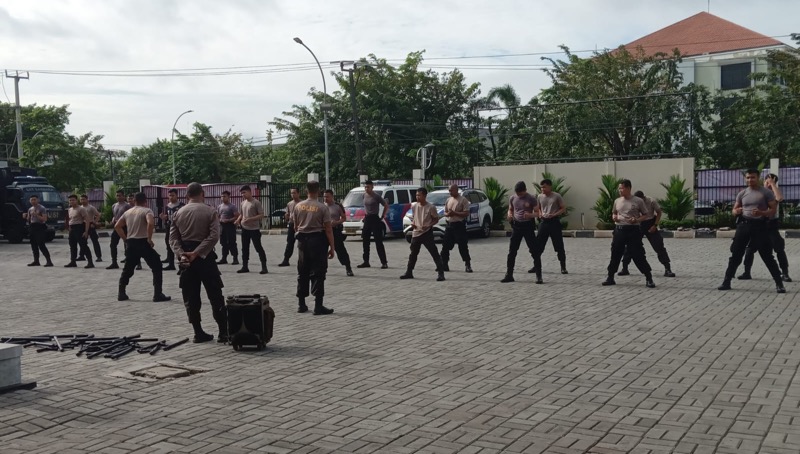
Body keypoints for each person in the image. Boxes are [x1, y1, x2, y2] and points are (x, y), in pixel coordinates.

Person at [170, 182, 227, 343]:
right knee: (215, 295)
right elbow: (214, 236)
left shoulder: (178, 212)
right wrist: (197, 252)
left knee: (190, 297)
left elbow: (172, 238)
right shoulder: (210, 211)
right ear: (202, 194)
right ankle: (224, 331)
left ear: (187, 196)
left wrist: (181, 254)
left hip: (186, 260)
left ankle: (198, 332)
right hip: (205, 257)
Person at [718, 169, 785, 293]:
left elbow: (772, 211)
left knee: (767, 256)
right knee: (736, 255)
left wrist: (762, 213)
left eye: (752, 177)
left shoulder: (766, 193)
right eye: (748, 178)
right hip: (744, 226)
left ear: (758, 178)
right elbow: (734, 210)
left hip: (760, 226)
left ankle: (779, 283)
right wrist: (736, 212)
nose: (750, 180)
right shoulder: (742, 193)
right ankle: (726, 281)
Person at [115, 192, 171, 302]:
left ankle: (121, 293)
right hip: (143, 242)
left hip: (131, 243)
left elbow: (117, 226)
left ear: (134, 200)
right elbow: (150, 223)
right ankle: (157, 294)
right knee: (157, 266)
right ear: (145, 201)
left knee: (127, 269)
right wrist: (149, 238)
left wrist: (125, 239)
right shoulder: (147, 211)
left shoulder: (128, 212)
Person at [602, 180, 656, 288]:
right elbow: (614, 213)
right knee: (615, 253)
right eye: (619, 188)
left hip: (633, 231)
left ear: (628, 188)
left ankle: (649, 278)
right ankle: (610, 277)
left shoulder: (638, 201)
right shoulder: (617, 201)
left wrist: (636, 219)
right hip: (619, 230)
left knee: (638, 254)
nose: (620, 190)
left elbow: (645, 215)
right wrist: (614, 217)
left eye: (621, 188)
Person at [291, 181, 335, 315]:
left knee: (302, 271)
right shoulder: (322, 207)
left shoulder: (298, 206)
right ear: (319, 191)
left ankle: (301, 304)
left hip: (303, 242)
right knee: (318, 272)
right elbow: (328, 229)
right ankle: (318, 305)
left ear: (306, 190)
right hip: (318, 241)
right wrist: (332, 247)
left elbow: (295, 226)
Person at [738, 173, 791, 282]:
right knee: (750, 249)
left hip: (771, 226)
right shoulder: (758, 192)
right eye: (767, 181)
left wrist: (772, 184)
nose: (768, 184)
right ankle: (746, 272)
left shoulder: (773, 193)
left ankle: (785, 273)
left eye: (771, 182)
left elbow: (779, 198)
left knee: (779, 248)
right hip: (757, 225)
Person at [618, 190, 675, 278]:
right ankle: (624, 268)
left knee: (658, 245)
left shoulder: (651, 201)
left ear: (644, 198)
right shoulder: (632, 201)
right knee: (630, 246)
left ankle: (667, 269)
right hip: (638, 224)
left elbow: (659, 212)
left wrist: (655, 225)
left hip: (650, 223)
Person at [400, 188, 446, 282]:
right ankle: (409, 272)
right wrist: (413, 223)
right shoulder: (414, 206)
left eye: (419, 195)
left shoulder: (431, 207)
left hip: (426, 233)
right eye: (416, 195)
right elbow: (414, 217)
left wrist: (428, 225)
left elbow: (435, 219)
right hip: (416, 233)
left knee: (434, 253)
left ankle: (441, 273)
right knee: (413, 254)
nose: (417, 197)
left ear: (425, 196)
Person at [501, 181, 542, 284]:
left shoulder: (531, 198)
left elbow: (538, 213)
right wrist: (509, 215)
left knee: (534, 250)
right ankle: (509, 274)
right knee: (512, 251)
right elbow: (510, 209)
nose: (519, 195)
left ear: (525, 191)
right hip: (517, 226)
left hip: (528, 226)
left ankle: (538, 275)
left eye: (521, 193)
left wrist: (531, 215)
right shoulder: (513, 198)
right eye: (517, 193)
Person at [532, 179, 568, 275]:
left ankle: (563, 266)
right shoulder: (539, 196)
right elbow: (538, 208)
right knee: (538, 244)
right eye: (541, 187)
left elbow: (563, 208)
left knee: (558, 244)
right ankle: (536, 265)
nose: (542, 189)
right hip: (544, 222)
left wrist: (555, 214)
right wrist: (540, 214)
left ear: (550, 187)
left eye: (544, 187)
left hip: (554, 222)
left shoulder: (556, 196)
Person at [235, 185, 268, 274]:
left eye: (244, 192)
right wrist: (238, 220)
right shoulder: (243, 203)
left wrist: (251, 219)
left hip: (254, 229)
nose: (243, 195)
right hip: (245, 229)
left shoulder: (256, 202)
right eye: (242, 193)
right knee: (244, 248)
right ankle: (245, 266)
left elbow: (261, 215)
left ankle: (264, 266)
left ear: (250, 192)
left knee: (258, 247)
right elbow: (241, 214)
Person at [357, 180, 389, 269]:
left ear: (372, 187)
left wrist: (383, 215)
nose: (366, 189)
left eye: (368, 187)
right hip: (367, 219)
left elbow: (386, 205)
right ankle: (366, 261)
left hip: (375, 218)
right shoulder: (364, 195)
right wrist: (365, 216)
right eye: (365, 187)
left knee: (378, 241)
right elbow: (365, 207)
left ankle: (384, 262)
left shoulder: (376, 196)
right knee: (365, 240)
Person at [440, 184, 472, 273]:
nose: (450, 192)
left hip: (459, 226)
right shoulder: (448, 200)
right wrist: (448, 214)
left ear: (456, 190)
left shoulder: (463, 200)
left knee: (463, 246)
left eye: (452, 190)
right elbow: (445, 212)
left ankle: (467, 264)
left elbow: (466, 213)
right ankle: (444, 264)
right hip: (450, 225)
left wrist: (455, 213)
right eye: (449, 190)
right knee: (445, 246)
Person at [324, 189, 354, 276]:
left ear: (332, 196)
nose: (326, 198)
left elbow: (344, 218)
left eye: (327, 196)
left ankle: (348, 267)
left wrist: (336, 222)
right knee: (322, 251)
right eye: (324, 196)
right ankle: (322, 269)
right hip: (324, 231)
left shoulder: (337, 206)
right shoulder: (322, 206)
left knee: (341, 250)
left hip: (335, 231)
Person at [64, 194, 94, 269]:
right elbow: (70, 220)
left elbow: (87, 220)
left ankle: (90, 262)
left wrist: (86, 231)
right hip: (72, 228)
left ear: (76, 200)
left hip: (79, 228)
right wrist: (69, 228)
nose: (71, 201)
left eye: (73, 200)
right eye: (70, 200)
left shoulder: (81, 209)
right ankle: (73, 261)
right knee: (72, 246)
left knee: (83, 245)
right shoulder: (70, 209)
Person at [23, 194, 53, 267]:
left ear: (38, 200)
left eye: (34, 199)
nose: (33, 201)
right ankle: (36, 261)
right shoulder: (30, 209)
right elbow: (30, 219)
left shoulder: (42, 208)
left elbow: (44, 219)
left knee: (41, 244)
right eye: (31, 200)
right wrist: (25, 216)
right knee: (33, 245)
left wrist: (37, 215)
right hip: (32, 227)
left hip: (40, 227)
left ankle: (49, 261)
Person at [159, 188, 185, 271]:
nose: (171, 197)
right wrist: (164, 218)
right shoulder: (167, 206)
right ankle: (171, 263)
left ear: (177, 196)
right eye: (169, 195)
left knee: (179, 245)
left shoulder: (181, 205)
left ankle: (182, 262)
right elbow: (166, 216)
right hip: (169, 227)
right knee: (169, 243)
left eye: (173, 195)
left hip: (178, 228)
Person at [106, 190, 130, 270]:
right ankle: (114, 262)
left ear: (123, 196)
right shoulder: (114, 205)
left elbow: (129, 217)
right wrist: (113, 220)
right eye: (117, 195)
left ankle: (131, 261)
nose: (118, 197)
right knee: (113, 244)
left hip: (125, 227)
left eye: (120, 195)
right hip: (116, 227)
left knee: (128, 244)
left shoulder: (127, 206)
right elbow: (115, 215)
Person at [278, 187, 301, 267]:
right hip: (291, 224)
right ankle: (286, 259)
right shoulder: (289, 204)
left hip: (300, 225)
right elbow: (287, 215)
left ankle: (303, 260)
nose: (293, 194)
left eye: (294, 193)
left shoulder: (302, 203)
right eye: (292, 193)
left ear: (298, 193)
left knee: (302, 243)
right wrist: (286, 216)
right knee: (290, 242)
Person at [119, 193, 142, 271]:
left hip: (135, 229)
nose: (130, 200)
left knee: (137, 247)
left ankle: (138, 263)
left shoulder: (137, 209)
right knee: (128, 245)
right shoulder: (127, 208)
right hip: (126, 228)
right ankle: (128, 259)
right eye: (129, 199)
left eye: (132, 199)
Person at [216, 190, 239, 265]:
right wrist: (220, 220)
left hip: (230, 226)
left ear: (228, 197)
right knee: (223, 242)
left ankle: (235, 258)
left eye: (224, 196)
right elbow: (218, 216)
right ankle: (224, 258)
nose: (222, 198)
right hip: (222, 226)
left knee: (231, 242)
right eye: (222, 196)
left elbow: (236, 216)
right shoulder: (220, 206)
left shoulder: (232, 206)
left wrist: (229, 220)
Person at [78, 194, 103, 263]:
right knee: (82, 241)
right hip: (83, 225)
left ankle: (99, 256)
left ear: (87, 199)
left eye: (83, 199)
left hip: (91, 224)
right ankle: (82, 255)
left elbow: (98, 215)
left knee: (95, 241)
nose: (82, 201)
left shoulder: (91, 207)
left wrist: (94, 223)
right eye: (81, 199)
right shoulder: (80, 208)